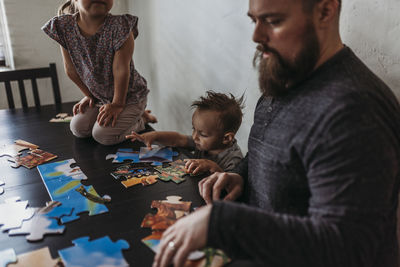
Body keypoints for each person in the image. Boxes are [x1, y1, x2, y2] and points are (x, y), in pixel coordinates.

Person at [153, 0, 400, 267]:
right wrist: (241, 175)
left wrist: (224, 222)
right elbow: (268, 152)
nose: (256, 36)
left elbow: (347, 248)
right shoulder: (284, 75)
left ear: (325, 11)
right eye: (254, 20)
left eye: (273, 21)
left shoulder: (354, 110)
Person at [42, 0, 156, 145]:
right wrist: (89, 96)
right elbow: (70, 70)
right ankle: (131, 115)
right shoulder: (64, 27)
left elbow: (121, 69)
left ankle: (141, 119)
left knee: (103, 136)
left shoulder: (121, 26)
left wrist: (117, 104)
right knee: (79, 128)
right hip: (100, 98)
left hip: (128, 96)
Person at [126, 91, 244, 175]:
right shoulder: (202, 142)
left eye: (202, 134)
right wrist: (155, 135)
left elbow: (229, 185)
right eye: (193, 129)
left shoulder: (234, 159)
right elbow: (178, 139)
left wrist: (211, 166)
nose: (194, 136)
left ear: (226, 138)